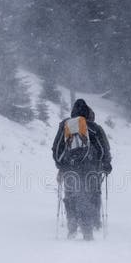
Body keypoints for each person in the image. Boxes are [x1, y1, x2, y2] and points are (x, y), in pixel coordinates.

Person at [52, 98, 112, 240]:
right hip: (90, 169)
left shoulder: (65, 126)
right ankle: (88, 230)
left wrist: (61, 166)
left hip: (69, 169)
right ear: (87, 113)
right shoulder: (94, 128)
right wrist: (105, 165)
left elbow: (56, 149)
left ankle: (72, 227)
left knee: (71, 195)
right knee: (89, 195)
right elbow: (104, 149)